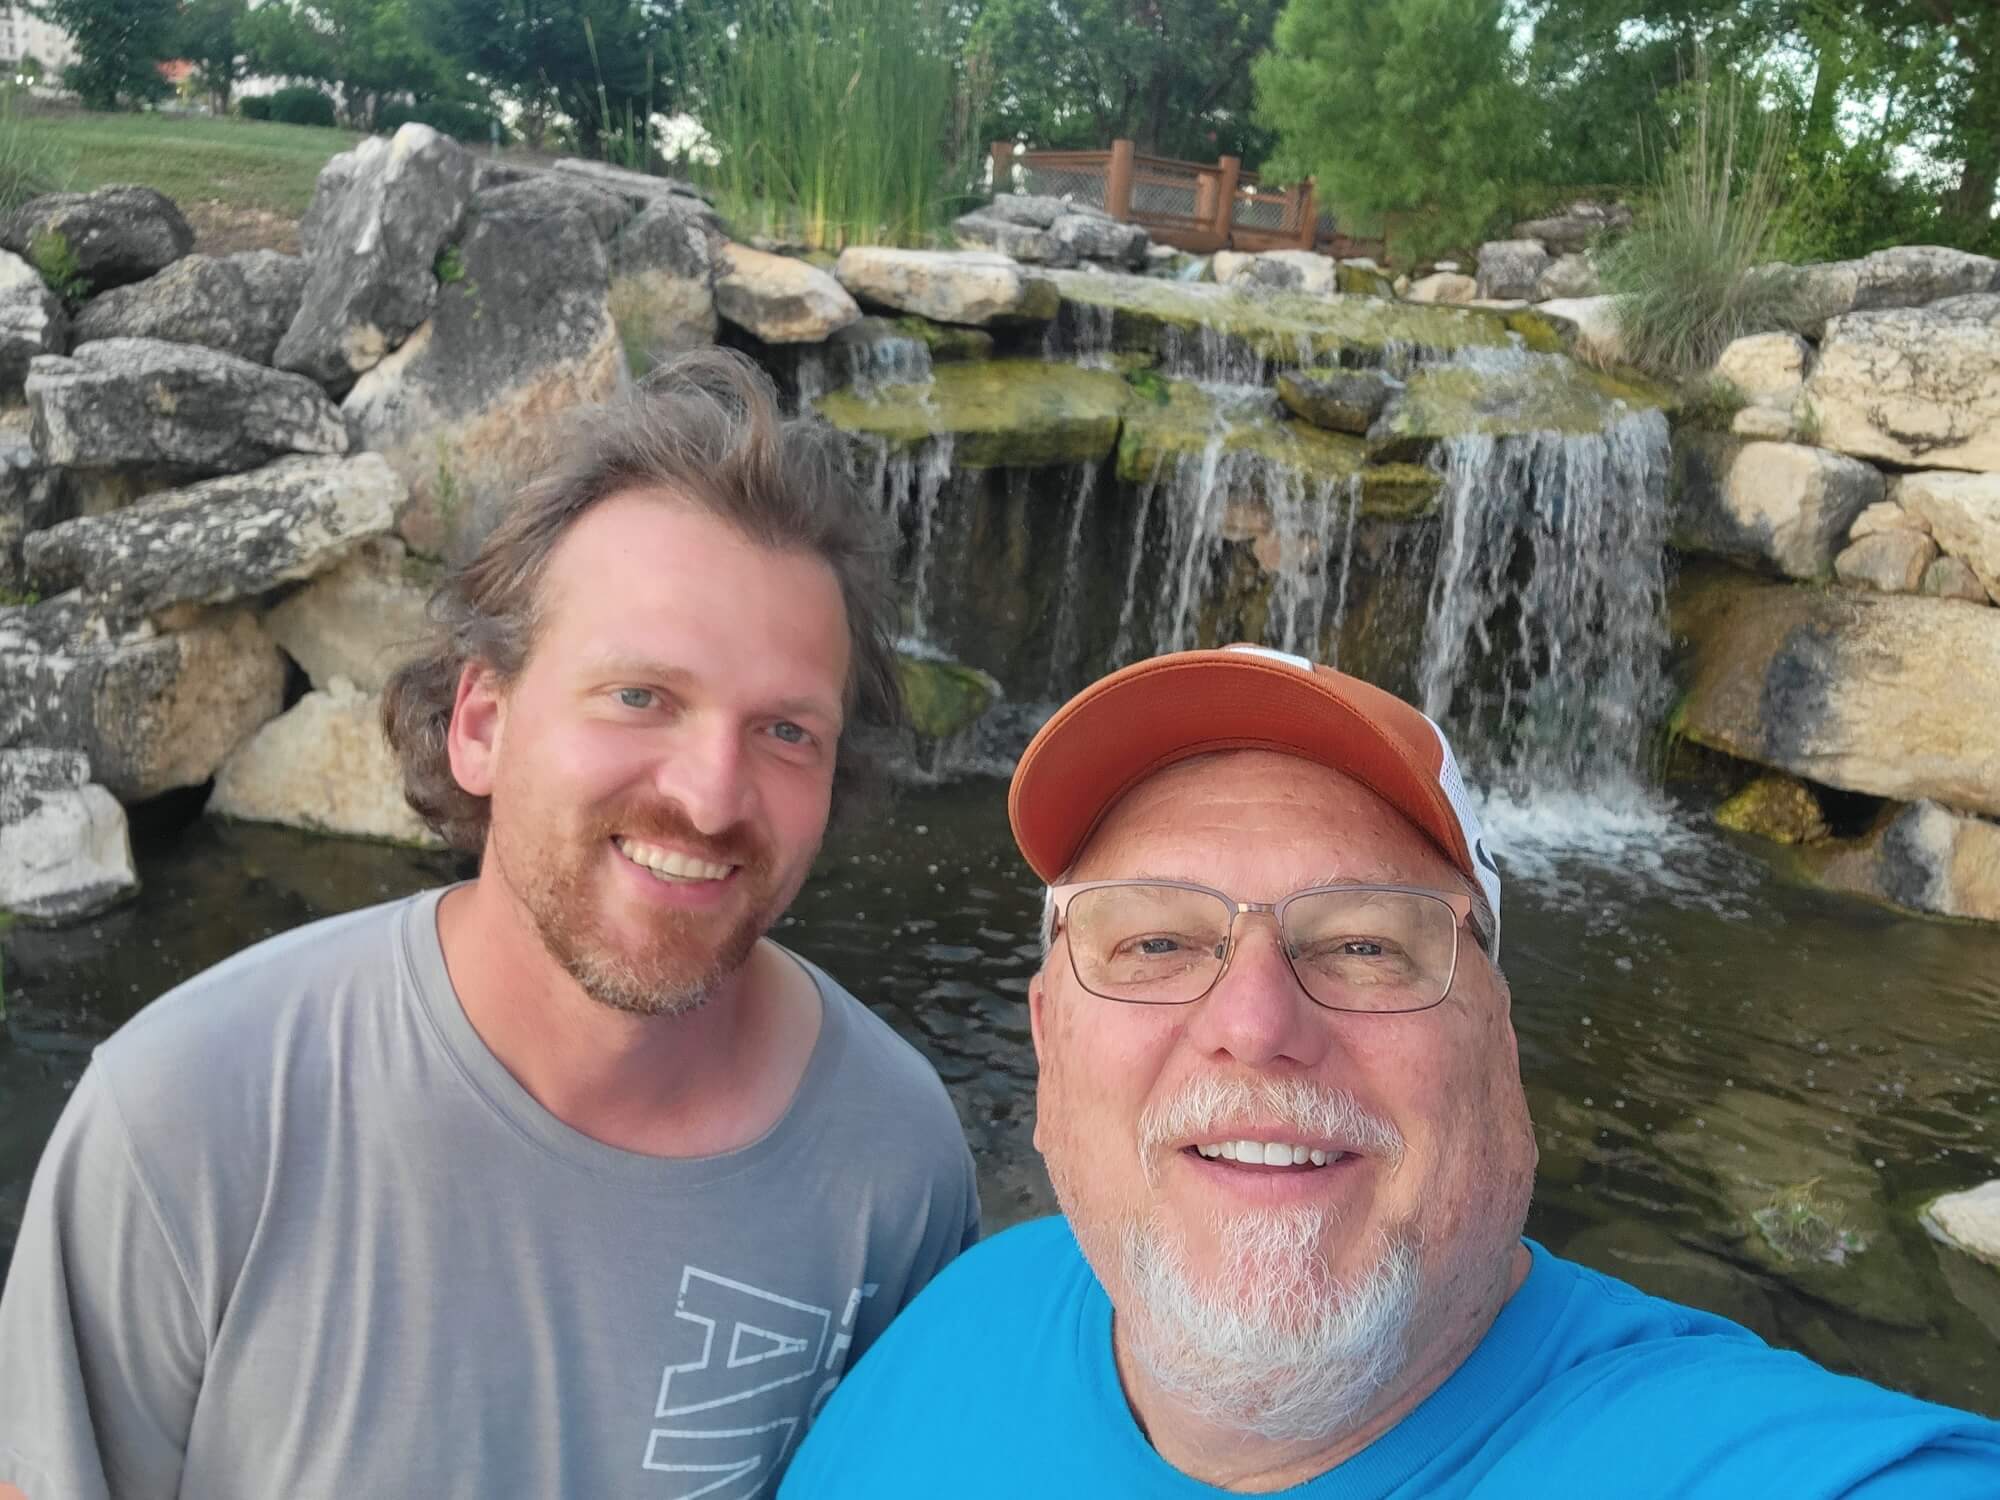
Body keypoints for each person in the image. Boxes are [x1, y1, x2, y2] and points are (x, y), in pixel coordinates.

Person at [0, 350, 979, 1500]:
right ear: (481, 722)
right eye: (639, 696)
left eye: (785, 733)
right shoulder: (191, 1116)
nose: (712, 796)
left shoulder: (897, 1165)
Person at [783, 643, 2000, 1497]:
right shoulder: (957, 1319)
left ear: (1499, 1046)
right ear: (1047, 1038)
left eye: (1364, 943)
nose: (1252, 1023)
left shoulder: (1777, 1468)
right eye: (1154, 942)